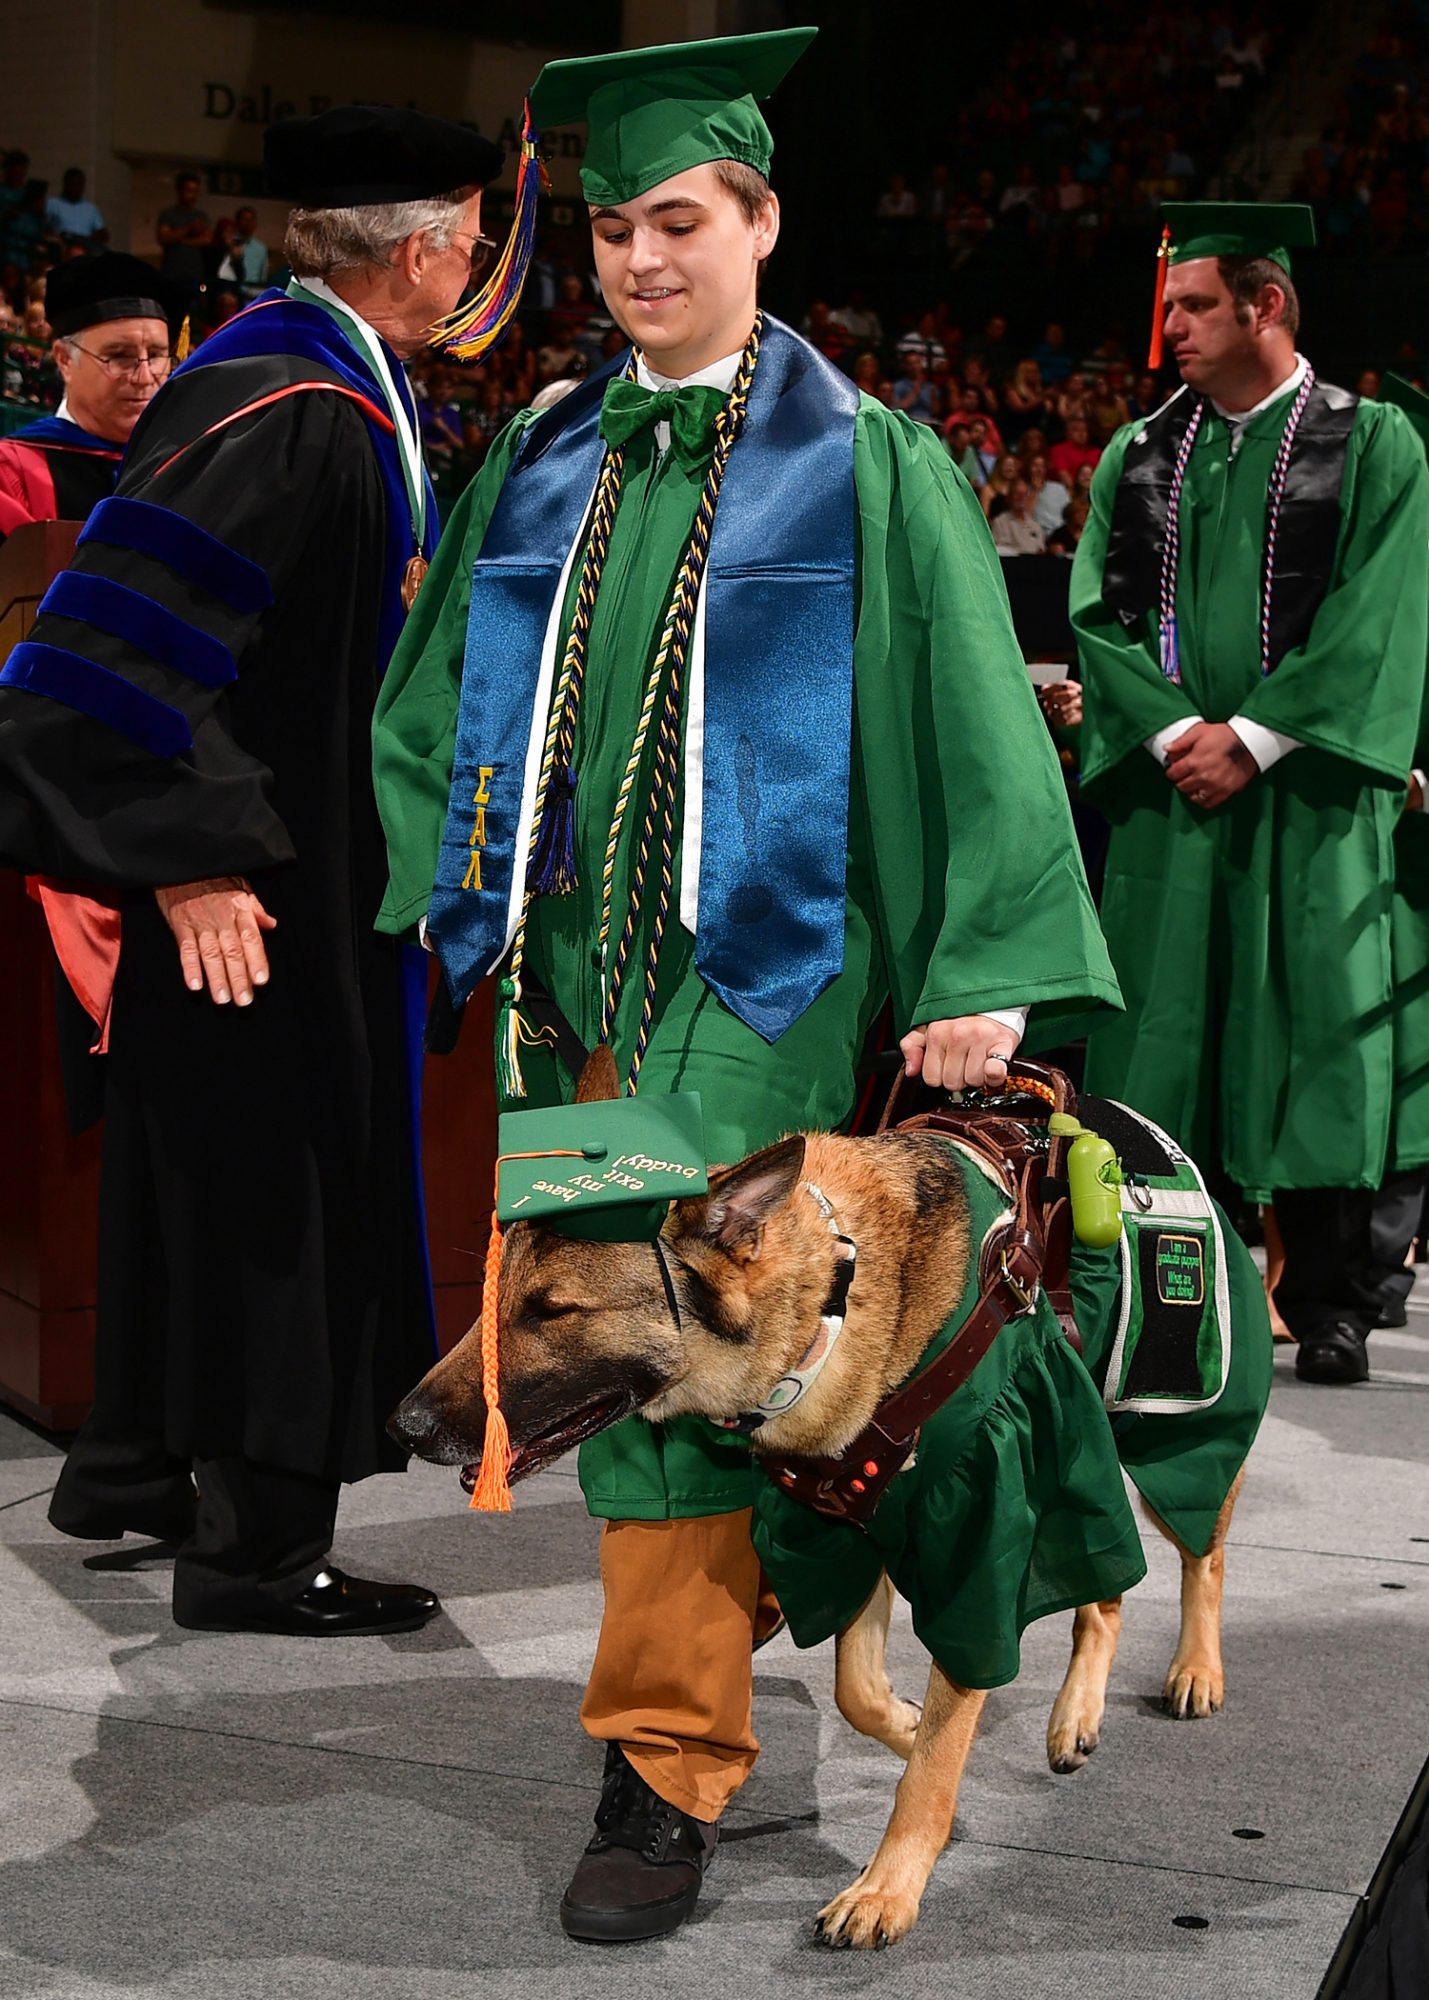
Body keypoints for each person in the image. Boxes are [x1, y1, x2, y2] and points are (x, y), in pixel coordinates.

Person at [373, 28, 1123, 1946]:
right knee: (597, 1351)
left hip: (759, 993)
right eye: (614, 225)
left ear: (760, 223)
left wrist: (980, 972)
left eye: (679, 219)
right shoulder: (545, 456)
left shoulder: (868, 466)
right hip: (572, 995)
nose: (639, 257)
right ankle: (699, 1713)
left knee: (668, 1364)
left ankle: (657, 1777)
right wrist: (446, 887)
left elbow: (976, 727)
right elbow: (433, 698)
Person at [0, 104, 514, 1631]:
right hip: (260, 888)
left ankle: (143, 1473)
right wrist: (196, 857)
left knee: (206, 1187)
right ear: (420, 250)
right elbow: (89, 664)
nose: (478, 264)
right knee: (271, 1206)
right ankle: (257, 1557)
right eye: (471, 240)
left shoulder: (311, 380)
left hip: (286, 870)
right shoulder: (288, 405)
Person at [1071, 204, 1429, 1387]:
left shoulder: (1374, 444)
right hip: (1177, 798)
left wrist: (1258, 740)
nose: (1167, 327)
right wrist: (1181, 730)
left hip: (1310, 799)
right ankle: (1176, 1290)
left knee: (1318, 1030)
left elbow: (1378, 618)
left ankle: (1331, 1302)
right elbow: (1097, 619)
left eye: (1191, 306)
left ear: (1261, 307)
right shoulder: (1139, 454)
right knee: (1168, 1034)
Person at [0, 253, 183, 535]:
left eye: (157, 355)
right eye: (120, 356)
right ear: (64, 360)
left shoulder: (184, 466)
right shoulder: (14, 472)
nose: (145, 377)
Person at [155, 171, 211, 294]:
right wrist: (188, 229)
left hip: (195, 275)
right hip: (172, 274)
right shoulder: (168, 214)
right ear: (180, 191)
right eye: (189, 191)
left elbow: (207, 239)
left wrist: (181, 240)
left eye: (195, 192)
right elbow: (163, 237)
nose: (193, 196)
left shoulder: (201, 216)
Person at [45, 168, 107, 248]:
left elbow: (102, 231)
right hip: (61, 249)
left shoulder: (91, 208)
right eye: (73, 184)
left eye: (80, 185)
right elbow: (43, 226)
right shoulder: (53, 203)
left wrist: (93, 237)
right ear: (66, 184)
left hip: (85, 250)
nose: (77, 188)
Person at [218, 205, 269, 296]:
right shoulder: (229, 243)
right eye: (244, 219)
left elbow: (263, 274)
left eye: (251, 220)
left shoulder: (261, 248)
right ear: (237, 222)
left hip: (252, 293)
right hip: (231, 293)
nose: (248, 223)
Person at [991, 476, 1046, 553]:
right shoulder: (1000, 522)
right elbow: (1002, 551)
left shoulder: (1035, 525)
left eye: (1024, 494)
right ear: (1009, 497)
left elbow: (1041, 550)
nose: (1021, 497)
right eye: (1017, 494)